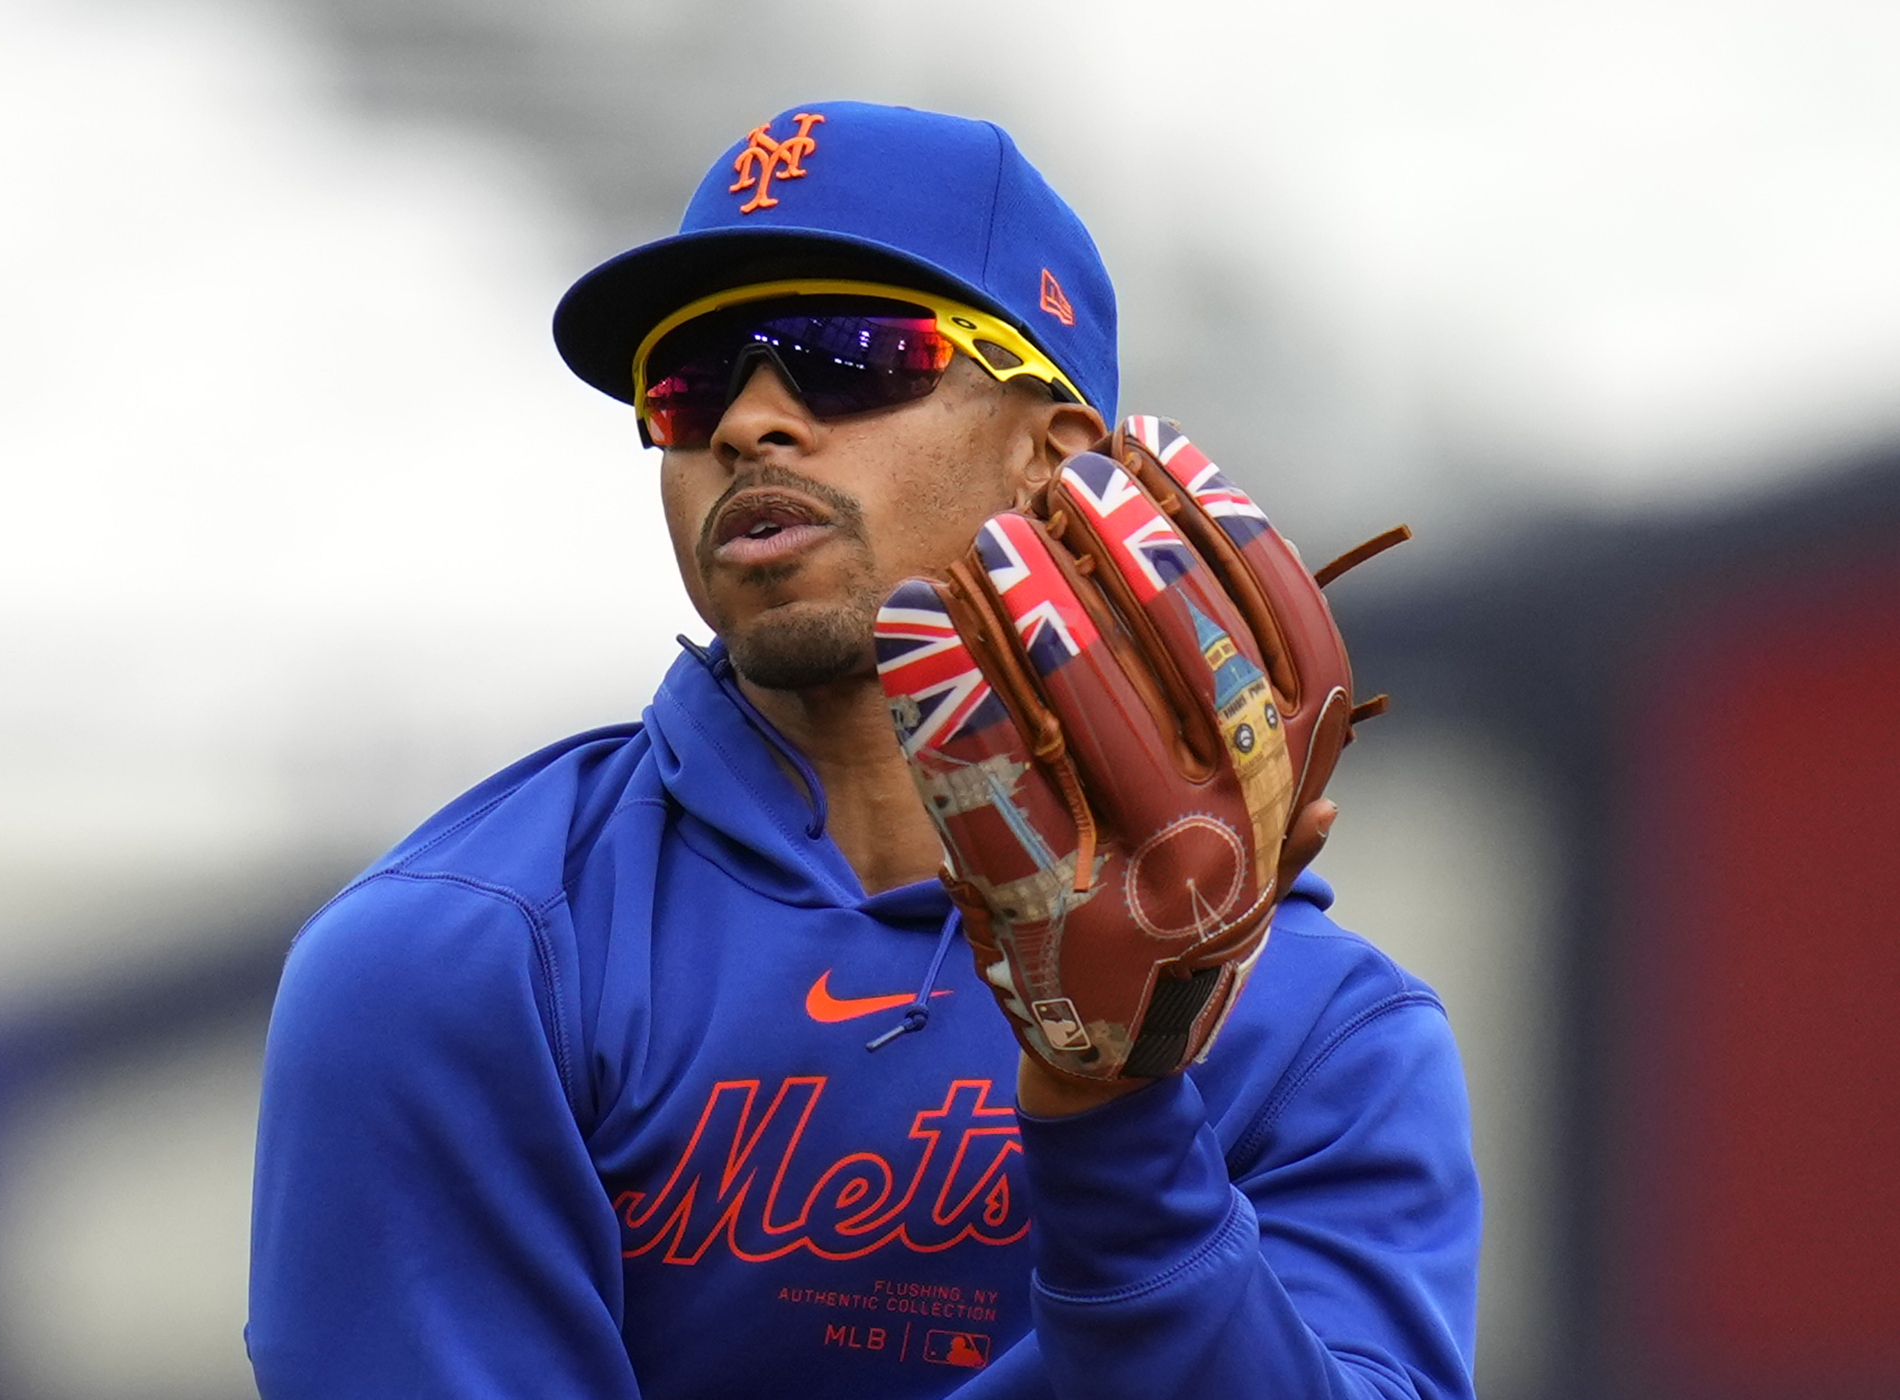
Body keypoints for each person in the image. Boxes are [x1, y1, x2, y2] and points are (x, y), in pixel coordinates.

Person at [247, 101, 1480, 1399]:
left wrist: (1112, 1121)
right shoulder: (456, 956)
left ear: (1053, 459)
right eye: (691, 382)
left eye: (850, 354)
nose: (750, 423)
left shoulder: (1322, 1033)